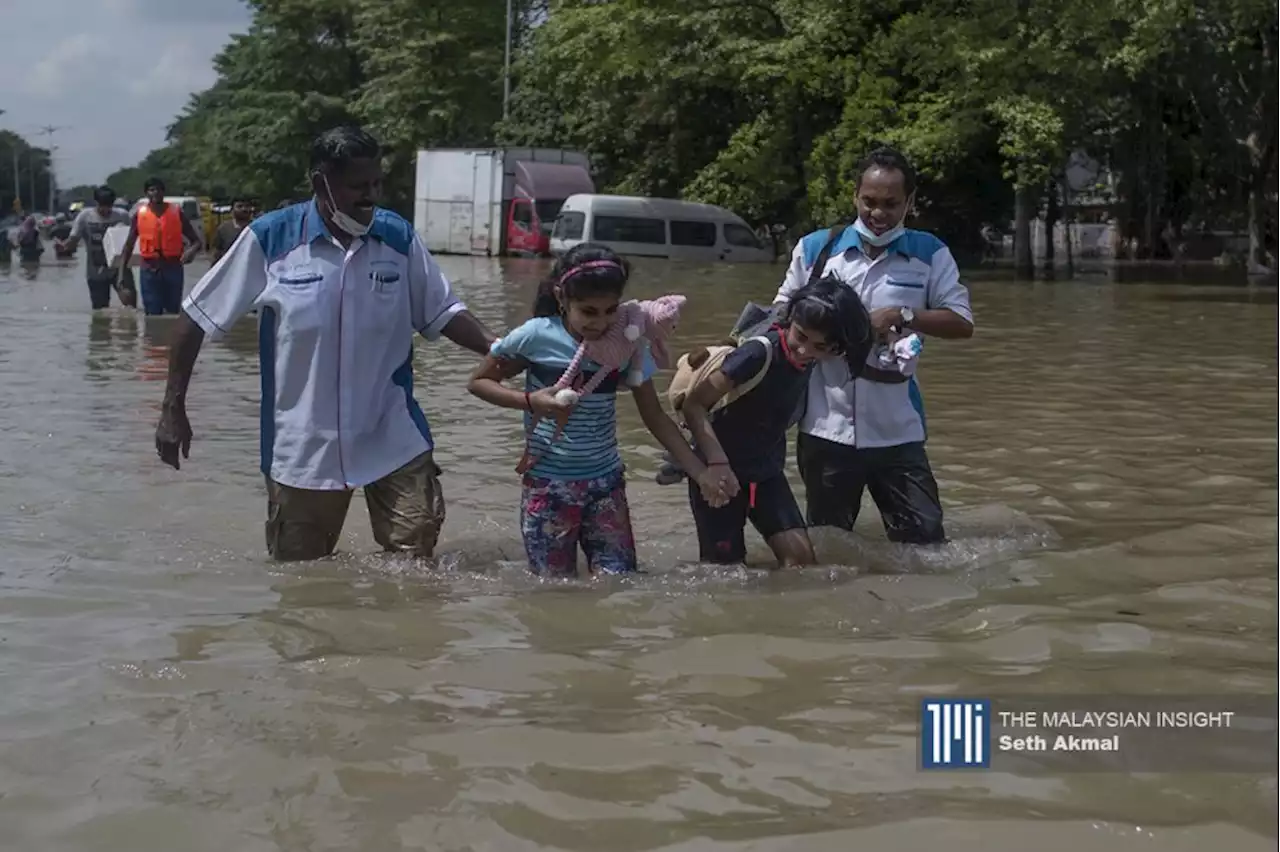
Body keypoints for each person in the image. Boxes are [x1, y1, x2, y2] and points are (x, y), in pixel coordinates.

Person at [153, 125, 499, 562]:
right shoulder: (271, 238)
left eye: (377, 182)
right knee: (302, 580)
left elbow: (444, 313)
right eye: (358, 186)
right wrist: (172, 408)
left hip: (391, 434)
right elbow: (194, 318)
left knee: (415, 564)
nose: (371, 195)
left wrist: (501, 347)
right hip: (302, 445)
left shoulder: (397, 238)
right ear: (321, 183)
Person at [467, 243, 729, 577]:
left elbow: (655, 417)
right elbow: (478, 382)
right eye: (589, 312)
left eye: (611, 310)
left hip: (605, 486)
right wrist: (532, 401)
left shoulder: (627, 344)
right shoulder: (535, 336)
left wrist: (701, 472)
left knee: (619, 584)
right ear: (562, 298)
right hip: (549, 488)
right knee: (553, 592)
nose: (602, 322)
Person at [774, 145, 974, 545]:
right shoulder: (817, 250)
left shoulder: (930, 253)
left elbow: (962, 323)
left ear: (910, 202)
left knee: (926, 547)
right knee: (830, 547)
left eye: (890, 203)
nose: (878, 214)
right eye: (869, 202)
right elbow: (778, 315)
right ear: (854, 196)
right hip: (824, 430)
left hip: (898, 433)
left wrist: (904, 314)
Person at [677, 277, 874, 568]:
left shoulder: (809, 359)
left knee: (802, 562)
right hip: (720, 472)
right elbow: (694, 405)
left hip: (766, 472)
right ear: (790, 319)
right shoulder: (757, 353)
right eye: (801, 337)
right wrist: (717, 463)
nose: (806, 351)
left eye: (821, 347)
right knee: (725, 572)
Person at [117, 177, 203, 315]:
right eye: (152, 190)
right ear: (146, 193)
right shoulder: (139, 215)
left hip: (173, 267)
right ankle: (152, 337)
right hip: (149, 270)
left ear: (164, 192)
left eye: (159, 189)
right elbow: (128, 246)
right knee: (152, 313)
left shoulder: (176, 213)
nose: (156, 192)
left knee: (173, 312)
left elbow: (197, 242)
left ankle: (170, 336)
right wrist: (120, 275)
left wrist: (190, 252)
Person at [57, 186, 137, 309]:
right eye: (102, 205)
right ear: (96, 202)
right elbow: (74, 239)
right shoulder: (84, 217)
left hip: (120, 269)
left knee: (131, 304)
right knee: (100, 309)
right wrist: (64, 247)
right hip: (96, 270)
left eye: (109, 206)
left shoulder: (122, 216)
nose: (106, 209)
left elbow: (132, 239)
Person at [211, 196, 253, 263]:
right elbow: (216, 252)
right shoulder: (223, 229)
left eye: (247, 206)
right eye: (240, 206)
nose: (244, 209)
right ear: (232, 210)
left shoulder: (257, 228)